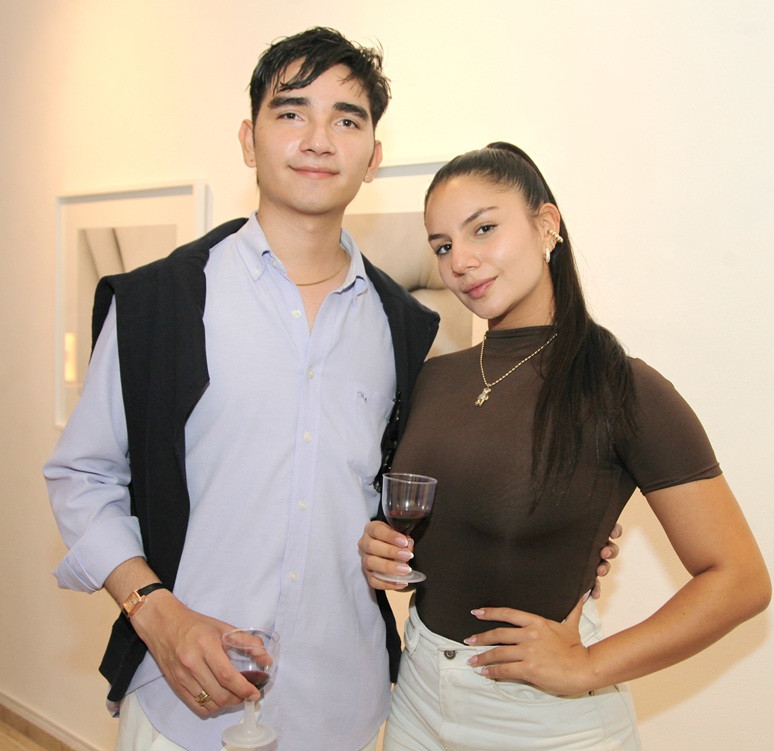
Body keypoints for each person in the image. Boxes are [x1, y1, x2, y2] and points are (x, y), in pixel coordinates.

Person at [44, 27, 439, 751]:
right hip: (183, 708)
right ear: (248, 140)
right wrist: (154, 610)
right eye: (291, 112)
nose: (318, 140)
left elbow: (421, 491)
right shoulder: (159, 302)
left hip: (343, 709)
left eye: (346, 120)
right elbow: (83, 475)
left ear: (373, 157)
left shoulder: (405, 327)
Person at [359, 142, 771, 750]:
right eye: (442, 246)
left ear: (546, 225)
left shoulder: (619, 386)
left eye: (484, 229)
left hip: (545, 721)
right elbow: (439, 530)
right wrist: (378, 548)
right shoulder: (434, 379)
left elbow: (740, 579)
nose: (461, 261)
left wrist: (587, 665)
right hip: (418, 696)